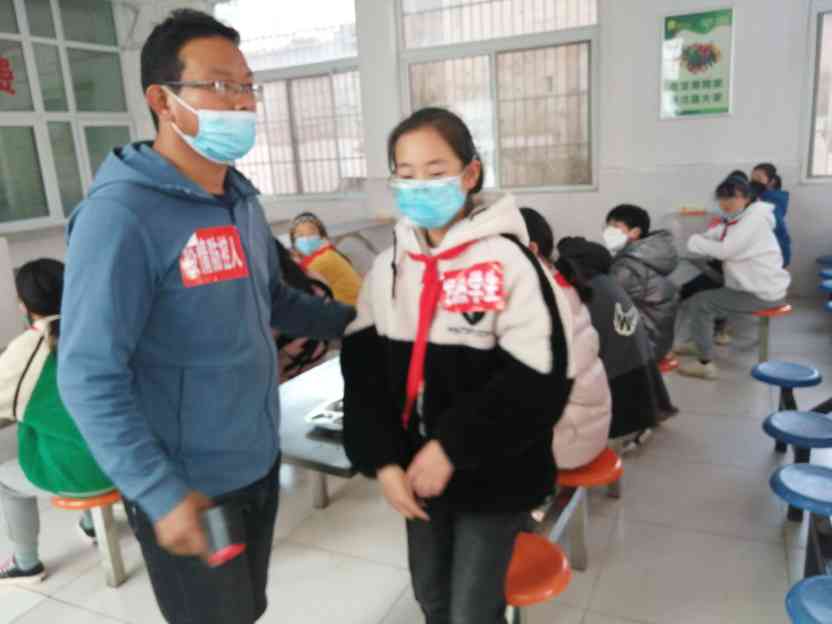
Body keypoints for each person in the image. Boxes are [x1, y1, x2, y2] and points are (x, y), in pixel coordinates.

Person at [58, 10, 355, 624]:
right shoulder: (121, 217)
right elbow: (87, 374)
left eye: (247, 86)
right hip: (188, 485)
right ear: (161, 101)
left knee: (245, 608)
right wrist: (159, 492)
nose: (242, 103)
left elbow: (274, 300)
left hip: (256, 458)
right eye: (220, 85)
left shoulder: (239, 200)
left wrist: (358, 322)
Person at [341, 108, 574, 624]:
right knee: (431, 596)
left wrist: (452, 445)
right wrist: (383, 460)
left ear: (470, 174)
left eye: (435, 170)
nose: (419, 185)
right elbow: (363, 374)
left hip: (495, 474)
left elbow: (540, 379)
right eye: (405, 173)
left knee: (472, 610)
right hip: (417, 474)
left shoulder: (510, 263)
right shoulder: (388, 267)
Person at [0, 259, 112, 585]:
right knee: (76, 428)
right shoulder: (103, 327)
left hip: (82, 476)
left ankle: (26, 564)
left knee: (5, 480)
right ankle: (92, 524)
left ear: (23, 304)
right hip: (129, 464)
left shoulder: (26, 351)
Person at [557, 237, 676, 450]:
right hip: (643, 369)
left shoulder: (587, 291)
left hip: (621, 384)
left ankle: (631, 430)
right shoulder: (607, 283)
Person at [520, 208, 611, 468]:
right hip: (587, 426)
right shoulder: (558, 280)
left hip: (568, 439)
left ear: (531, 249)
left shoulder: (538, 298)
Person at [676, 175, 791, 379]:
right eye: (721, 198)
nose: (726, 202)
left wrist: (695, 241)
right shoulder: (743, 217)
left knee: (701, 302)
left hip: (761, 293)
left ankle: (705, 363)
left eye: (732, 197)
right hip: (756, 287)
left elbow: (726, 250)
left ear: (746, 197)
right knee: (707, 294)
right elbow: (721, 232)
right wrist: (705, 237)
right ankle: (700, 342)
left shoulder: (754, 220)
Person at [603, 204, 679, 362]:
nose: (608, 232)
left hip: (645, 344)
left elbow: (606, 298)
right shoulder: (647, 254)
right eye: (608, 226)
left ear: (635, 232)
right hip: (658, 339)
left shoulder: (628, 266)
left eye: (615, 227)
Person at [289, 212, 363, 305]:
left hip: (353, 310)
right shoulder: (329, 253)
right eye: (300, 235)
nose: (306, 238)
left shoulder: (323, 260)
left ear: (322, 236)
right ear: (294, 243)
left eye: (311, 233)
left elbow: (294, 286)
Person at [751, 162, 791, 268]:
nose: (753, 181)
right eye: (752, 178)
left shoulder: (773, 203)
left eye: (758, 178)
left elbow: (776, 229)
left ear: (771, 182)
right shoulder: (760, 198)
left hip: (774, 255)